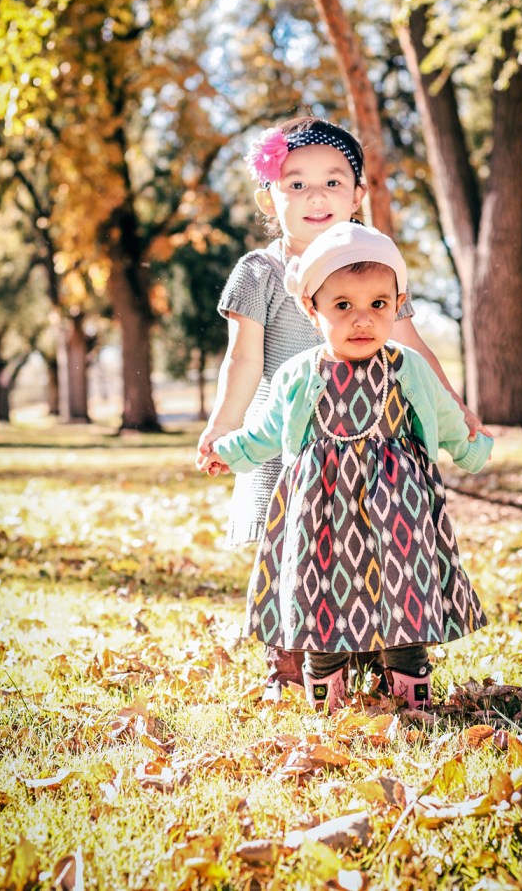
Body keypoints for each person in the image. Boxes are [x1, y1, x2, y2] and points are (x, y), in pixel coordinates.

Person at [197, 115, 488, 697]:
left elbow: (412, 347)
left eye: (333, 182)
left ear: (357, 195)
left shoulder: (377, 266)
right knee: (296, 547)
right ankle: (292, 661)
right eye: (296, 184)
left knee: (375, 540)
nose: (316, 196)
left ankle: (381, 649)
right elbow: (243, 359)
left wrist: (455, 405)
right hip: (291, 438)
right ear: (270, 196)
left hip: (373, 440)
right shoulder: (260, 271)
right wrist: (222, 427)